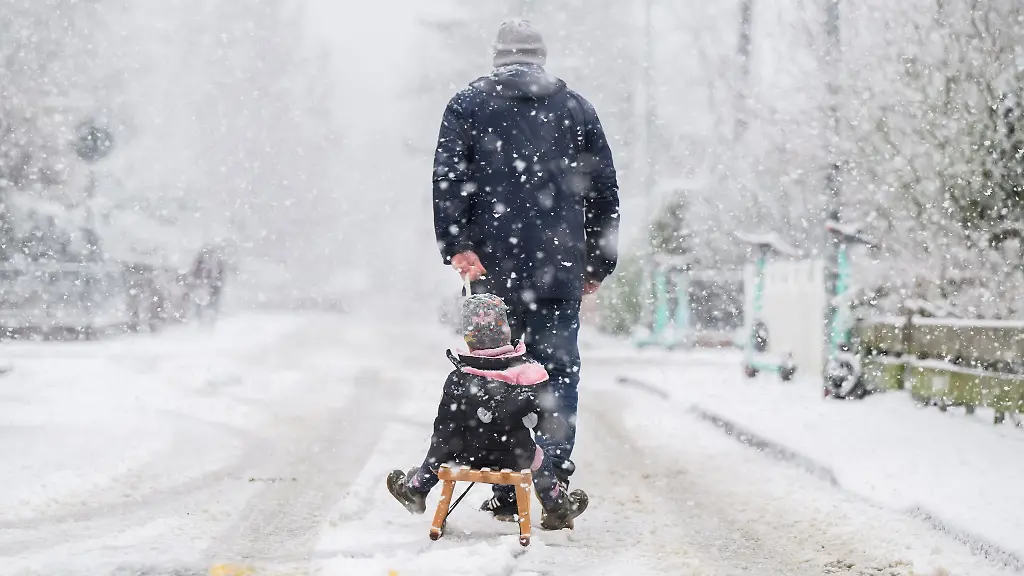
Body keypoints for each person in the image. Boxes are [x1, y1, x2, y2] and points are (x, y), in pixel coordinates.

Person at [431, 19, 620, 519]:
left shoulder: (467, 105)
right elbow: (604, 190)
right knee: (555, 375)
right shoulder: (577, 109)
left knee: (495, 375)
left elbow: (448, 178)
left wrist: (458, 245)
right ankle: (551, 480)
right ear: (542, 57)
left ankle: (504, 483)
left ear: (498, 56)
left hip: (492, 270)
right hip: (559, 268)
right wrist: (597, 261)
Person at [386, 294, 589, 530]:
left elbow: (444, 430)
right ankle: (556, 507)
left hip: (464, 454)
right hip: (516, 455)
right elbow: (547, 423)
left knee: (442, 445)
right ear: (507, 331)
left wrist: (435, 460)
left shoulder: (458, 379)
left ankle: (416, 489)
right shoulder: (528, 376)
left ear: (468, 337)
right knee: (539, 458)